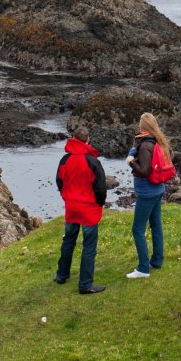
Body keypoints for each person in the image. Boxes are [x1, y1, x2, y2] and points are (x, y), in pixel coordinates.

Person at [53, 126, 107, 294]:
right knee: (89, 246)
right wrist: (99, 203)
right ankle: (85, 284)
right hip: (88, 209)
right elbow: (100, 188)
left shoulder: (65, 160)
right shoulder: (92, 162)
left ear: (73, 139)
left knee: (68, 240)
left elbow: (59, 181)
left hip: (72, 207)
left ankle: (61, 274)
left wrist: (66, 197)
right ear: (87, 140)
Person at [126, 112, 171, 279]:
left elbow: (144, 171)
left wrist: (131, 162)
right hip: (158, 189)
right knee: (156, 225)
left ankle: (143, 268)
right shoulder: (157, 141)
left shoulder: (145, 146)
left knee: (137, 229)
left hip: (147, 192)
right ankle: (157, 261)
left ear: (142, 126)